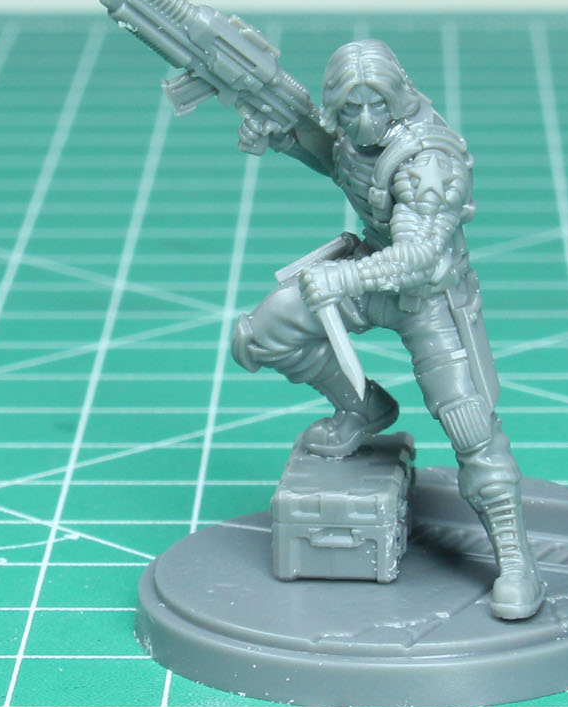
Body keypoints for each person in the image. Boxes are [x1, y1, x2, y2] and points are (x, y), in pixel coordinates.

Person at [230, 40, 546, 620]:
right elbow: (333, 156)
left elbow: (421, 255)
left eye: (376, 105)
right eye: (350, 110)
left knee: (471, 427)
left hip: (429, 299)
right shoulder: (353, 136)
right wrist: (280, 136)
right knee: (263, 333)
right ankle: (364, 407)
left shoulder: (430, 159)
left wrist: (341, 280)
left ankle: (515, 559)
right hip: (371, 277)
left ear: (397, 98)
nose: (364, 121)